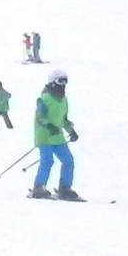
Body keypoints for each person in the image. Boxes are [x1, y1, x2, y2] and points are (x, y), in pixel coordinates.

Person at [30, 69, 80, 200]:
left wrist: (71, 131)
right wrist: (49, 126)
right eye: (60, 81)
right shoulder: (44, 99)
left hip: (57, 136)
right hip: (45, 136)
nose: (63, 85)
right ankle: (39, 187)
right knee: (47, 161)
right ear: (52, 83)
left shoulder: (64, 100)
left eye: (65, 81)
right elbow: (40, 117)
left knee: (68, 160)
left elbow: (63, 119)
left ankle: (65, 187)